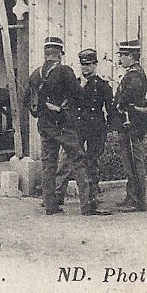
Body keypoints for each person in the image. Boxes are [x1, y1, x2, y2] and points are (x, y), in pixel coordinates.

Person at [23, 36, 106, 215]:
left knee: (48, 165)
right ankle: (87, 206)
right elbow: (80, 97)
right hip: (64, 126)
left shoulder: (35, 74)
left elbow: (27, 101)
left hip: (44, 126)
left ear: (45, 53)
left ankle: (50, 205)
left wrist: (43, 111)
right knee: (79, 161)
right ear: (59, 54)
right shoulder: (64, 71)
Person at [52, 49, 114, 212]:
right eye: (83, 65)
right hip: (76, 127)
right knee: (65, 161)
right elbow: (66, 103)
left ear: (95, 65)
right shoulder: (75, 84)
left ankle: (92, 196)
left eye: (88, 65)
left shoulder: (103, 86)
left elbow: (110, 109)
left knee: (92, 162)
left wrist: (110, 127)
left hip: (95, 128)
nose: (85, 68)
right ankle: (57, 195)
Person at [114, 39, 147, 213]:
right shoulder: (134, 73)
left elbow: (128, 100)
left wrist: (119, 105)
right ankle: (132, 197)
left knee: (134, 162)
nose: (120, 59)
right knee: (131, 161)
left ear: (130, 56)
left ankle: (137, 201)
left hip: (131, 124)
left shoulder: (134, 76)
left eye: (122, 55)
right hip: (130, 123)